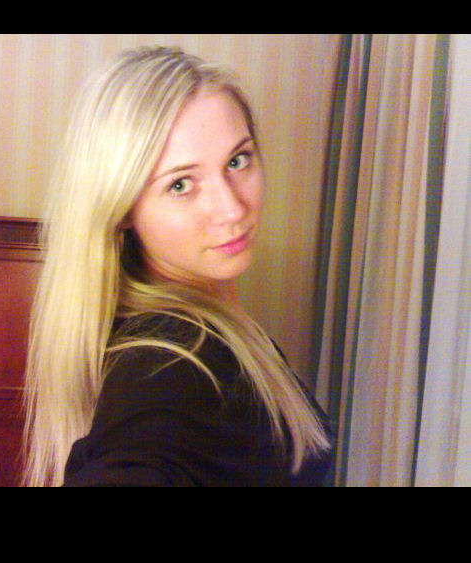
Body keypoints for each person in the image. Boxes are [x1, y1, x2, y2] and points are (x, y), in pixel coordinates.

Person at [24, 46, 332, 487]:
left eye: (237, 161)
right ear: (122, 208)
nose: (232, 209)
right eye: (181, 185)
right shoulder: (165, 368)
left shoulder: (217, 328)